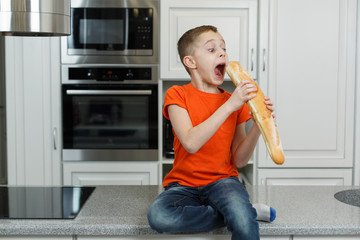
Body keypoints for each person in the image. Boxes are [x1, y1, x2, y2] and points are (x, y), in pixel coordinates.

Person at [147, 25, 275, 240]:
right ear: (191, 62)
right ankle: (247, 212)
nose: (222, 52)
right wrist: (229, 106)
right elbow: (190, 142)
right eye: (212, 49)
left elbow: (240, 160)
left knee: (242, 222)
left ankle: (242, 213)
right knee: (159, 217)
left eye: (224, 48)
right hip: (182, 185)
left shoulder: (235, 103)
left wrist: (259, 124)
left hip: (223, 181)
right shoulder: (177, 95)